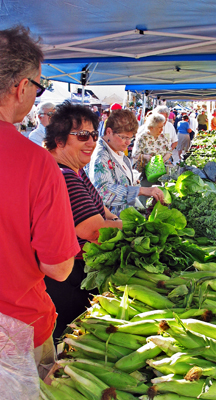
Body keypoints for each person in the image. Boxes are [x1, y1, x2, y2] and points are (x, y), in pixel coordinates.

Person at [0, 26, 79, 379]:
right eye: (38, 87)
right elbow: (59, 267)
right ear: (21, 87)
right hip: (16, 328)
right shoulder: (36, 163)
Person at [43, 102, 123, 342]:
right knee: (69, 340)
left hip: (63, 274)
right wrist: (136, 226)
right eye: (82, 136)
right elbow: (95, 231)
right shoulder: (65, 177)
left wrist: (112, 217)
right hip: (67, 277)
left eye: (93, 135)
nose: (91, 142)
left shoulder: (74, 170)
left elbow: (99, 207)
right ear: (59, 140)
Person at [88, 109, 164, 215]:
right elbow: (102, 192)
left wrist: (133, 182)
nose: (128, 142)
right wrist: (141, 190)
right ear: (109, 132)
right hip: (108, 223)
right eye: (123, 137)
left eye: (131, 138)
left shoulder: (117, 150)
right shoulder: (100, 156)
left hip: (122, 218)